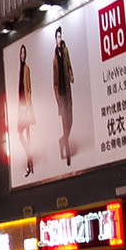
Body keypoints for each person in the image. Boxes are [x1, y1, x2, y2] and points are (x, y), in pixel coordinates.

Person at [52, 25, 74, 165]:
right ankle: (68, 153)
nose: (59, 39)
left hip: (68, 92)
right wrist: (58, 99)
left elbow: (70, 66)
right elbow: (54, 82)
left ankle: (62, 141)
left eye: (60, 36)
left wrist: (71, 75)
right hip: (62, 96)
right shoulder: (54, 60)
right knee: (65, 121)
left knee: (70, 121)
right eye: (57, 37)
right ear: (55, 39)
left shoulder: (65, 52)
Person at [16, 43, 35, 176]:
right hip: (21, 107)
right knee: (21, 134)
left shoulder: (26, 69)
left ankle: (29, 164)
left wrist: (27, 105)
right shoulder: (20, 70)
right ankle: (30, 158)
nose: (22, 55)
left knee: (27, 136)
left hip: (26, 107)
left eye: (24, 53)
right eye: (21, 53)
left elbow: (28, 88)